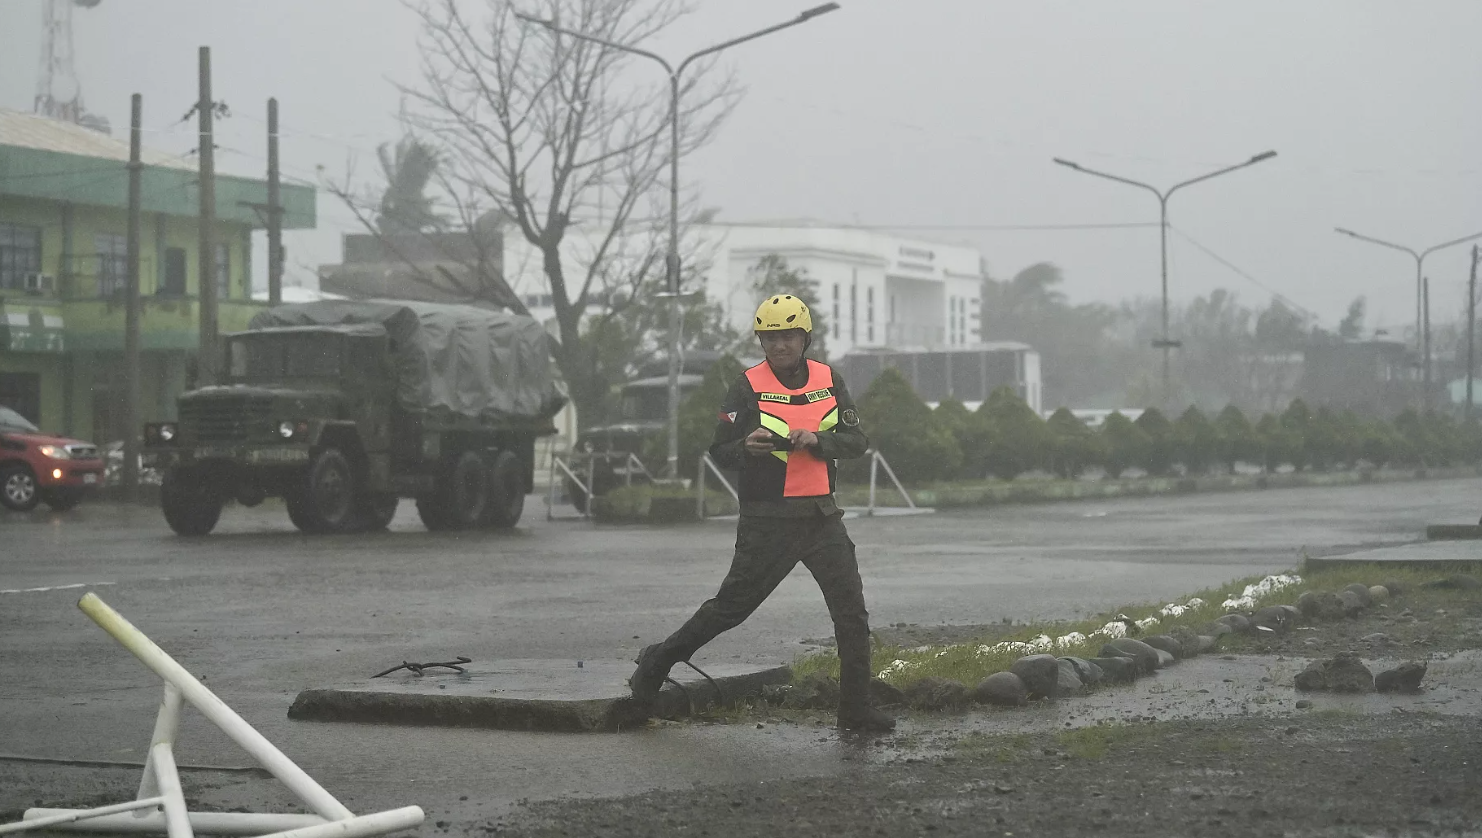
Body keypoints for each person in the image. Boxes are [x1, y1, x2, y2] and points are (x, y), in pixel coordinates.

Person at [627, 294, 895, 732]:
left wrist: (818, 441)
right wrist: (745, 448)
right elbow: (720, 449)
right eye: (769, 338)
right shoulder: (746, 384)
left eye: (787, 336)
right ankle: (655, 662)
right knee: (731, 609)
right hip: (768, 520)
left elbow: (856, 441)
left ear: (804, 338)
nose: (778, 346)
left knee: (851, 613)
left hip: (822, 518)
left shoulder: (829, 380)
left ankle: (855, 709)